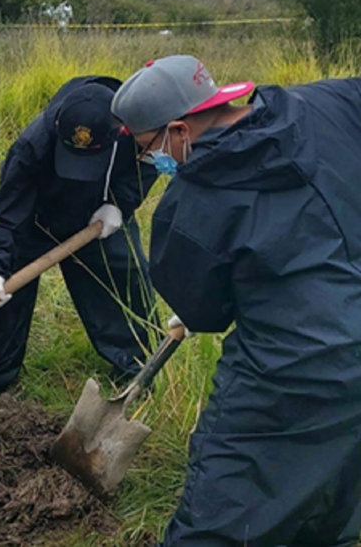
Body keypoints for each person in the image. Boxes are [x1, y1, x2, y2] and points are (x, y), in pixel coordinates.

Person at [112, 54, 361, 545]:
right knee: (334, 491)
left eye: (147, 149)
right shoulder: (326, 103)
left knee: (222, 509)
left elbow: (204, 311)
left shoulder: (189, 207)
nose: (152, 162)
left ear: (179, 131)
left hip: (296, 367)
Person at [0, 76, 158, 395]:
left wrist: (119, 203)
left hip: (98, 213)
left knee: (123, 277)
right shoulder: (32, 144)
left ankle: (139, 371)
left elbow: (147, 161)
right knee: (0, 293)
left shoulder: (135, 126)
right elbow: (4, 215)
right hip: (35, 217)